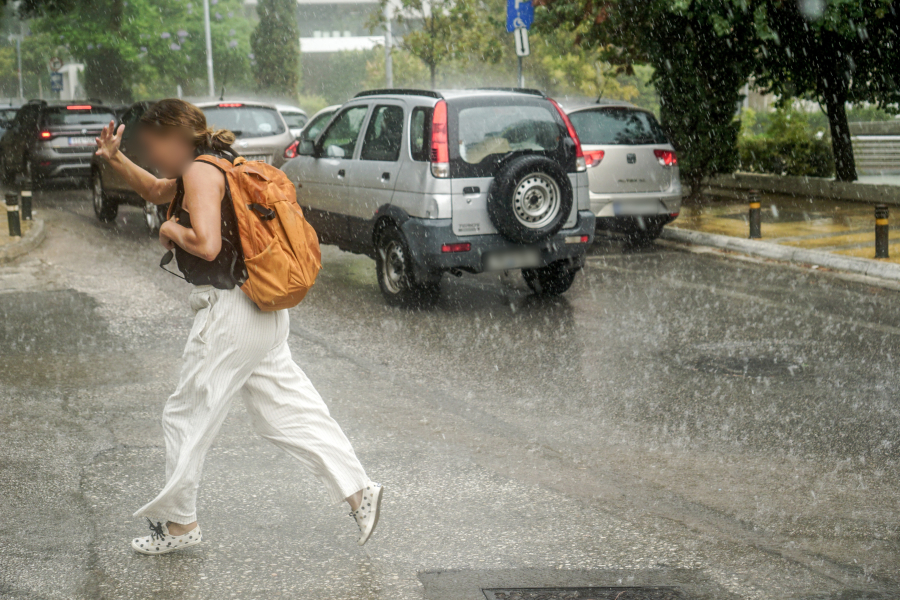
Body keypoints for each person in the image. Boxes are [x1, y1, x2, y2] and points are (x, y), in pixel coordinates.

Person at [94, 98, 382, 555]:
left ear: (175, 137)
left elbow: (206, 246)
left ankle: (181, 526)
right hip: (261, 310)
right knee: (286, 409)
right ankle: (358, 490)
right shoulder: (220, 164)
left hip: (230, 312)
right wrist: (115, 158)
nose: (152, 157)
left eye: (152, 146)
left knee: (185, 414)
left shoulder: (199, 172)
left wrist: (170, 233)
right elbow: (154, 190)